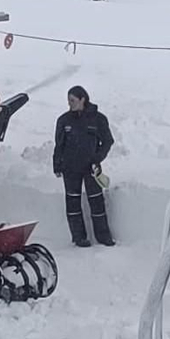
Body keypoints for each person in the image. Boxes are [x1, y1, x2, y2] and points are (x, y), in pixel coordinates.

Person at [52, 85, 114, 247]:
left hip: (91, 168)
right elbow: (59, 144)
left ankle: (103, 237)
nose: (69, 104)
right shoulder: (64, 120)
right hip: (70, 168)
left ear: (82, 99)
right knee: (73, 204)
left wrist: (97, 159)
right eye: (68, 101)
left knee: (96, 202)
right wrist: (57, 164)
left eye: (73, 100)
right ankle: (79, 237)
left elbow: (108, 141)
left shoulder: (98, 119)